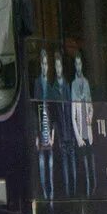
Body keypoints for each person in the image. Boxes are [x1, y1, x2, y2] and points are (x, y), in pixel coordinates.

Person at [51, 51, 76, 198]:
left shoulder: (68, 87)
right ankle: (68, 194)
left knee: (72, 165)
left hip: (70, 133)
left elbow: (72, 110)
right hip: (61, 134)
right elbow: (54, 115)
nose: (58, 70)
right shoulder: (53, 89)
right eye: (56, 67)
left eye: (60, 67)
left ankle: (73, 193)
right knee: (66, 166)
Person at [71, 52, 96, 196]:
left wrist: (90, 117)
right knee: (85, 165)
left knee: (92, 162)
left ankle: (94, 189)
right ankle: (88, 191)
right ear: (75, 66)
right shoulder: (73, 85)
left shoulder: (86, 83)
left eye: (80, 63)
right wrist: (78, 137)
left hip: (89, 131)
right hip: (81, 133)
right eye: (76, 64)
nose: (79, 66)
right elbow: (73, 116)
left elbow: (91, 106)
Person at [34, 49, 55, 203]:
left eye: (46, 63)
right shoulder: (37, 83)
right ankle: (45, 198)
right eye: (42, 63)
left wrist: (54, 135)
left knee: (51, 170)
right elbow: (35, 109)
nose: (44, 66)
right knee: (42, 168)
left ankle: (52, 200)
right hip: (41, 133)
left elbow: (54, 111)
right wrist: (36, 134)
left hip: (50, 136)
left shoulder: (50, 84)